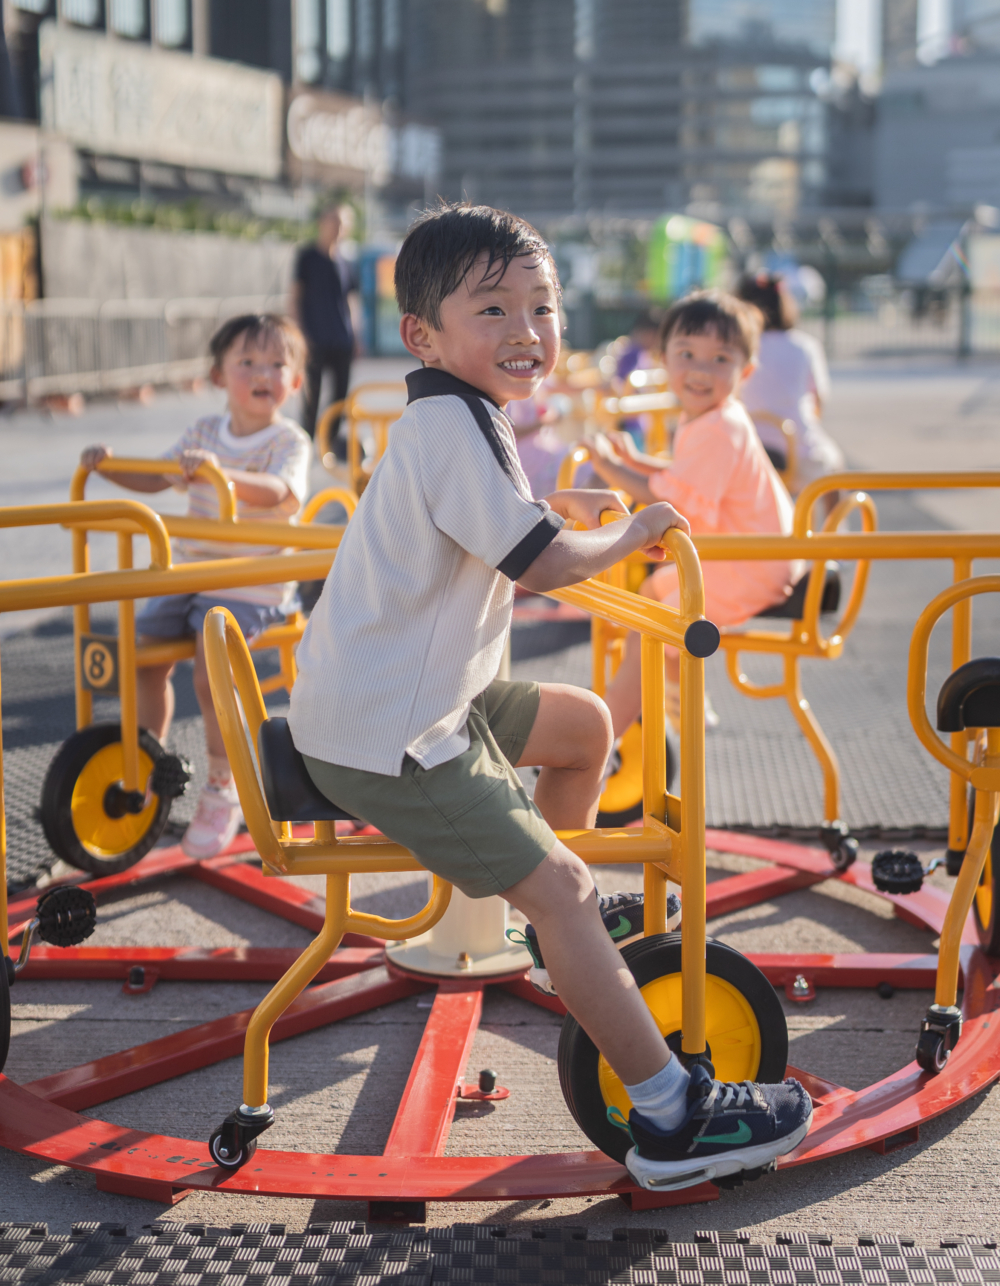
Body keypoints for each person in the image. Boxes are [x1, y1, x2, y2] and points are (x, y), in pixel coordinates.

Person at [286, 205, 811, 1193]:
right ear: (425, 337)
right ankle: (666, 1114)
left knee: (584, 727)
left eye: (542, 304)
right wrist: (625, 534)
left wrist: (550, 508)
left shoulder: (457, 413)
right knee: (567, 886)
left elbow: (502, 523)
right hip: (391, 735)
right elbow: (538, 564)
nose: (527, 330)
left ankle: (548, 932)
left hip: (426, 697)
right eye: (493, 309)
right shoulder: (451, 426)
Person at [80, 313, 311, 860]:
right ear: (217, 375)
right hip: (190, 574)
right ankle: (149, 764)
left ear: (295, 381)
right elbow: (157, 477)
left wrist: (222, 476)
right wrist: (109, 467)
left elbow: (283, 493)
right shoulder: (203, 433)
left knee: (211, 677)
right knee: (141, 659)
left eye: (278, 364)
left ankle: (221, 785)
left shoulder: (287, 440)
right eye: (247, 362)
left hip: (249, 582)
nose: (263, 373)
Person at [585, 291, 802, 737]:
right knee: (649, 595)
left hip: (751, 565)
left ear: (744, 371)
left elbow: (674, 503)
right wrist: (638, 462)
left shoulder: (719, 427)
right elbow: (688, 477)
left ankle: (605, 739)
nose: (701, 370)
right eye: (687, 354)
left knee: (648, 624)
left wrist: (610, 468)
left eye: (719, 358)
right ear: (664, 358)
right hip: (756, 556)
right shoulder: (716, 418)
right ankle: (683, 697)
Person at [735, 271, 844, 495]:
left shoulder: (739, 347)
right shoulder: (805, 346)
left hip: (749, 446)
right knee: (835, 471)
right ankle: (835, 529)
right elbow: (818, 401)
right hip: (799, 446)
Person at [294, 207, 358, 444]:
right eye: (333, 222)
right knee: (312, 392)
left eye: (341, 224)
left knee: (341, 393)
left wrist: (356, 334)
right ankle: (306, 438)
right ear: (322, 222)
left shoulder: (346, 261)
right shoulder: (307, 257)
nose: (337, 229)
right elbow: (295, 298)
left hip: (341, 338)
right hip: (315, 337)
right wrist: (300, 333)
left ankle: (330, 438)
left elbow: (351, 300)